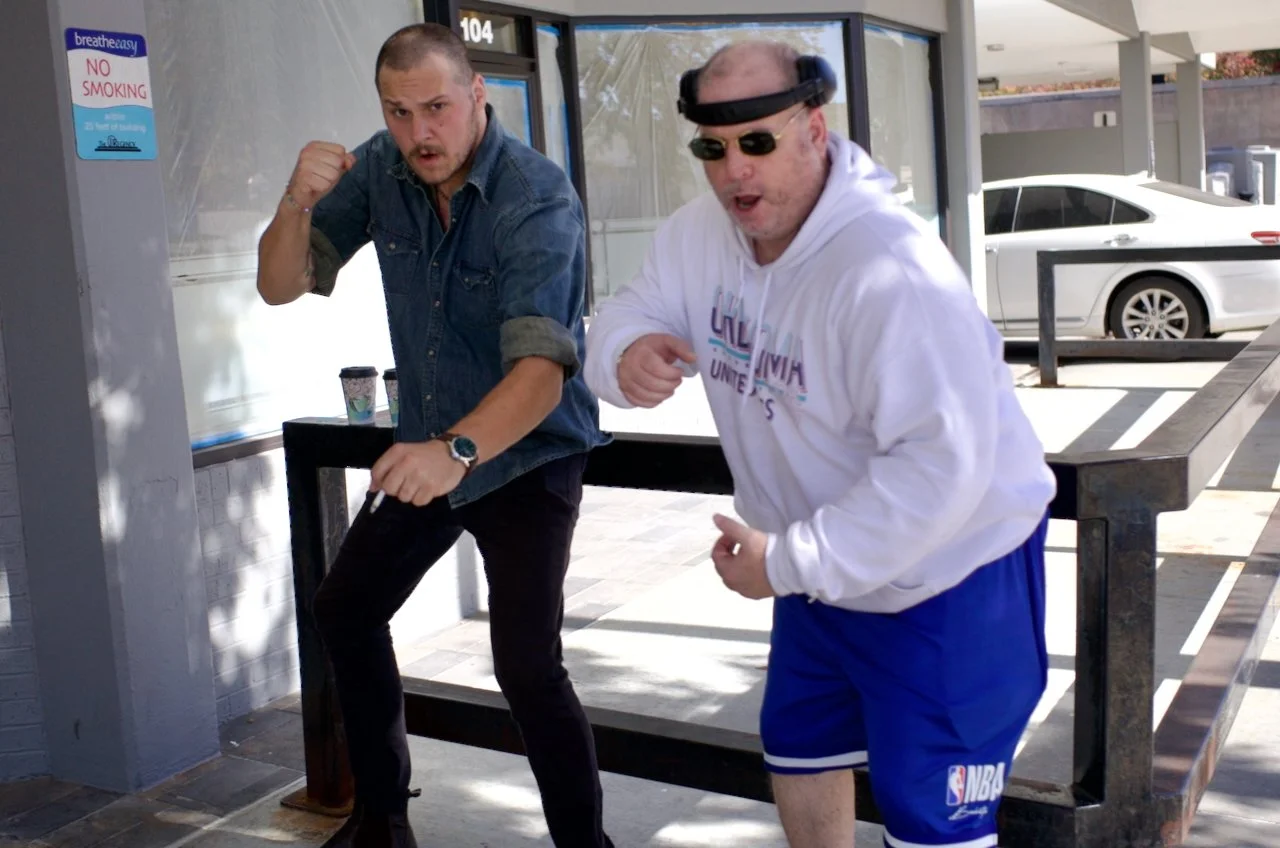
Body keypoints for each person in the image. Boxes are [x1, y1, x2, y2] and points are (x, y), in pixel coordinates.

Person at [584, 41, 1057, 848]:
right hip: (817, 574)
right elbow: (629, 310)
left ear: (813, 128)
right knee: (802, 752)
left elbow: (940, 468)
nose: (735, 170)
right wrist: (624, 354)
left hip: (947, 577)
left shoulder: (892, 270)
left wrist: (788, 563)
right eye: (712, 149)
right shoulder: (698, 235)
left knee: (932, 823)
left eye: (756, 141)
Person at [256, 22, 613, 848]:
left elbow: (541, 373)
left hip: (525, 452)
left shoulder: (536, 196)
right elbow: (280, 284)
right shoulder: (382, 167)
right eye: (398, 111)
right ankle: (382, 822)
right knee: (347, 607)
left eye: (437, 108)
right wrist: (295, 202)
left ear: (477, 95)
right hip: (428, 449)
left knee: (526, 666)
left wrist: (455, 452)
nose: (419, 132)